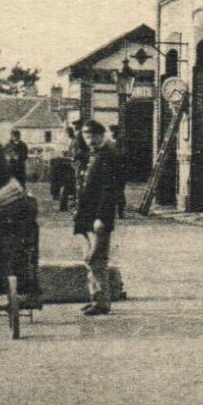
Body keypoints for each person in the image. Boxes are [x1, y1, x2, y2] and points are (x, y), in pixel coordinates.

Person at [74, 119, 118, 316]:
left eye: (93, 135)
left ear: (102, 136)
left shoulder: (108, 157)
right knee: (90, 258)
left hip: (98, 219)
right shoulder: (94, 156)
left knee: (97, 259)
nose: (90, 139)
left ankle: (102, 302)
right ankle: (96, 298)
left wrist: (101, 218)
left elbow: (109, 191)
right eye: (86, 135)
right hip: (89, 218)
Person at [49, 127, 78, 211]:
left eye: (69, 133)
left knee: (65, 184)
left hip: (73, 165)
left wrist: (70, 156)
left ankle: (58, 196)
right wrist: (66, 153)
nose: (68, 135)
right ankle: (56, 194)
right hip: (69, 164)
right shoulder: (73, 141)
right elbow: (71, 152)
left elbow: (75, 153)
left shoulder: (76, 141)